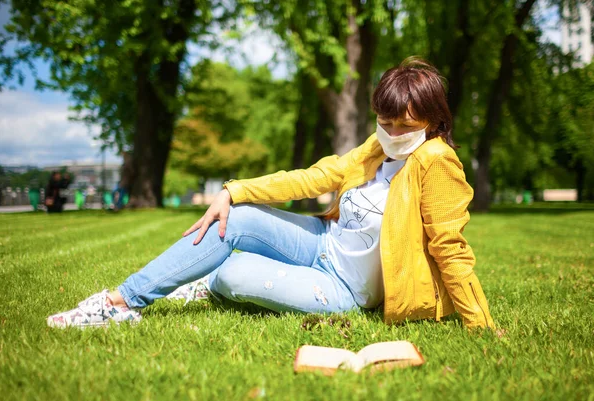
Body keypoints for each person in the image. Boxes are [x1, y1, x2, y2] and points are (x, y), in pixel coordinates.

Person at [47, 57, 495, 331]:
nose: (392, 132)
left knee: (231, 277)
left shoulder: (436, 162)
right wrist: (233, 190)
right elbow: (314, 177)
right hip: (321, 244)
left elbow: (450, 248)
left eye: (405, 125)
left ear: (434, 122)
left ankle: (207, 283)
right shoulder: (378, 147)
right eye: (385, 120)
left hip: (346, 288)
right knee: (235, 217)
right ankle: (119, 303)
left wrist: (480, 325)